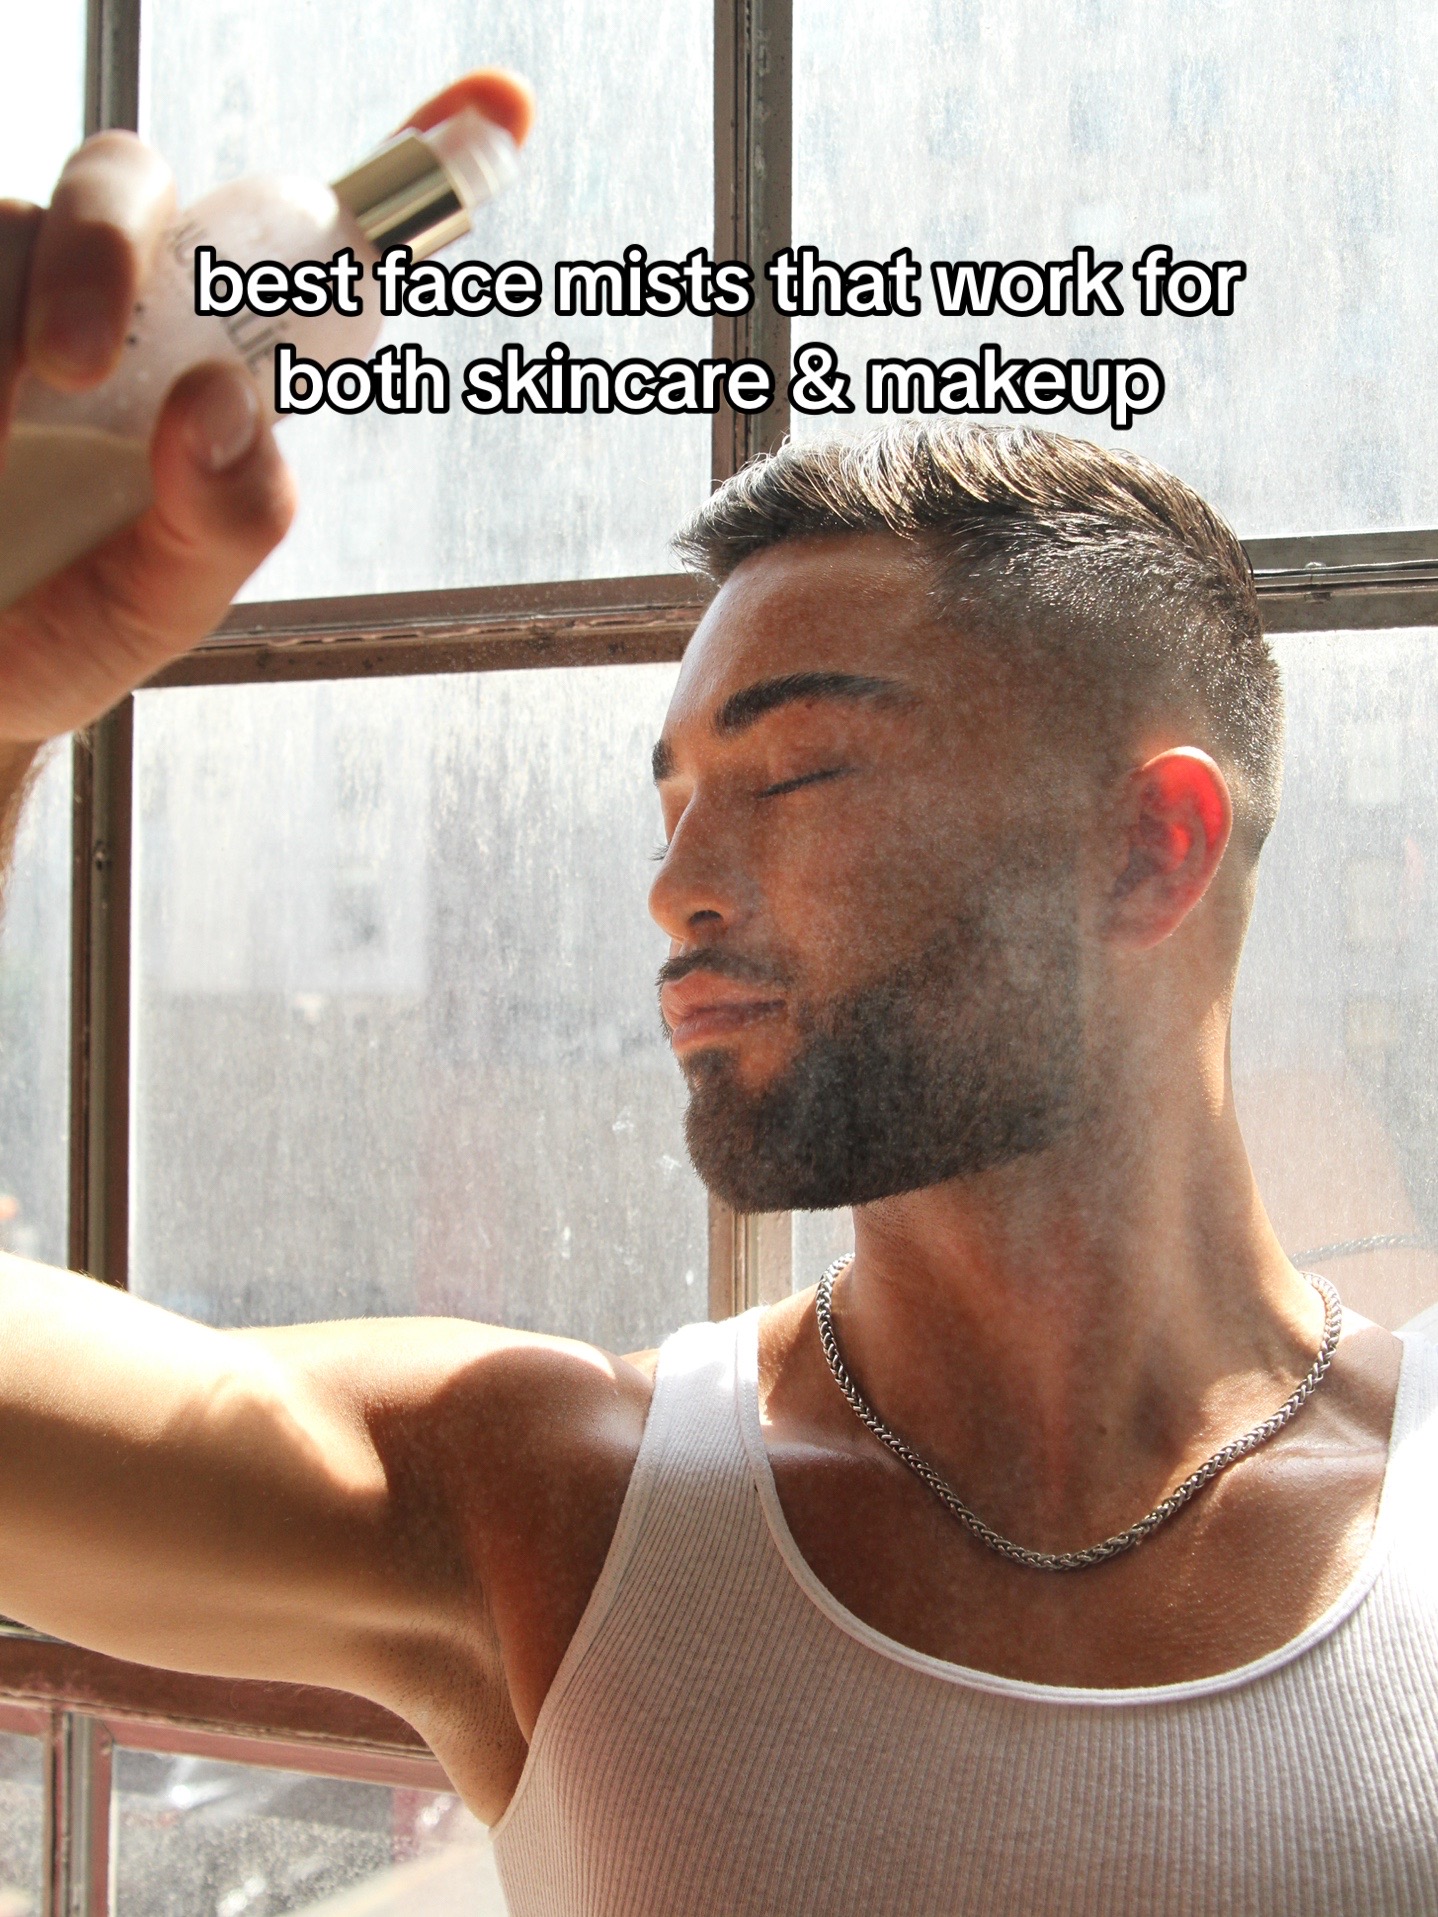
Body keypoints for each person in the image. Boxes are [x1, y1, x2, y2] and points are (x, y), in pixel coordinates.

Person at [1, 118, 1435, 1917]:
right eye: (672, 799)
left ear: (1149, 848)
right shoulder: (553, 1514)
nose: (672, 887)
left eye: (797, 771)